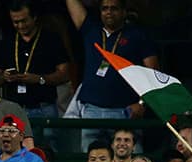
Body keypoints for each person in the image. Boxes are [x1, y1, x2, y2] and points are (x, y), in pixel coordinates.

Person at [64, 0, 158, 149]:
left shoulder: (138, 35)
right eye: (105, 8)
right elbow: (73, 5)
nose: (108, 12)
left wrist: (142, 103)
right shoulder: (91, 30)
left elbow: (152, 73)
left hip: (125, 111)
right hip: (92, 110)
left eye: (114, 8)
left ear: (124, 12)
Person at [0, 1, 70, 118]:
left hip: (44, 108)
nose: (20, 25)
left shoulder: (51, 39)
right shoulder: (7, 41)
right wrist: (4, 77)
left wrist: (40, 79)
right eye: (16, 22)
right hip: (14, 107)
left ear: (34, 17)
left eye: (24, 21)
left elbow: (65, 74)